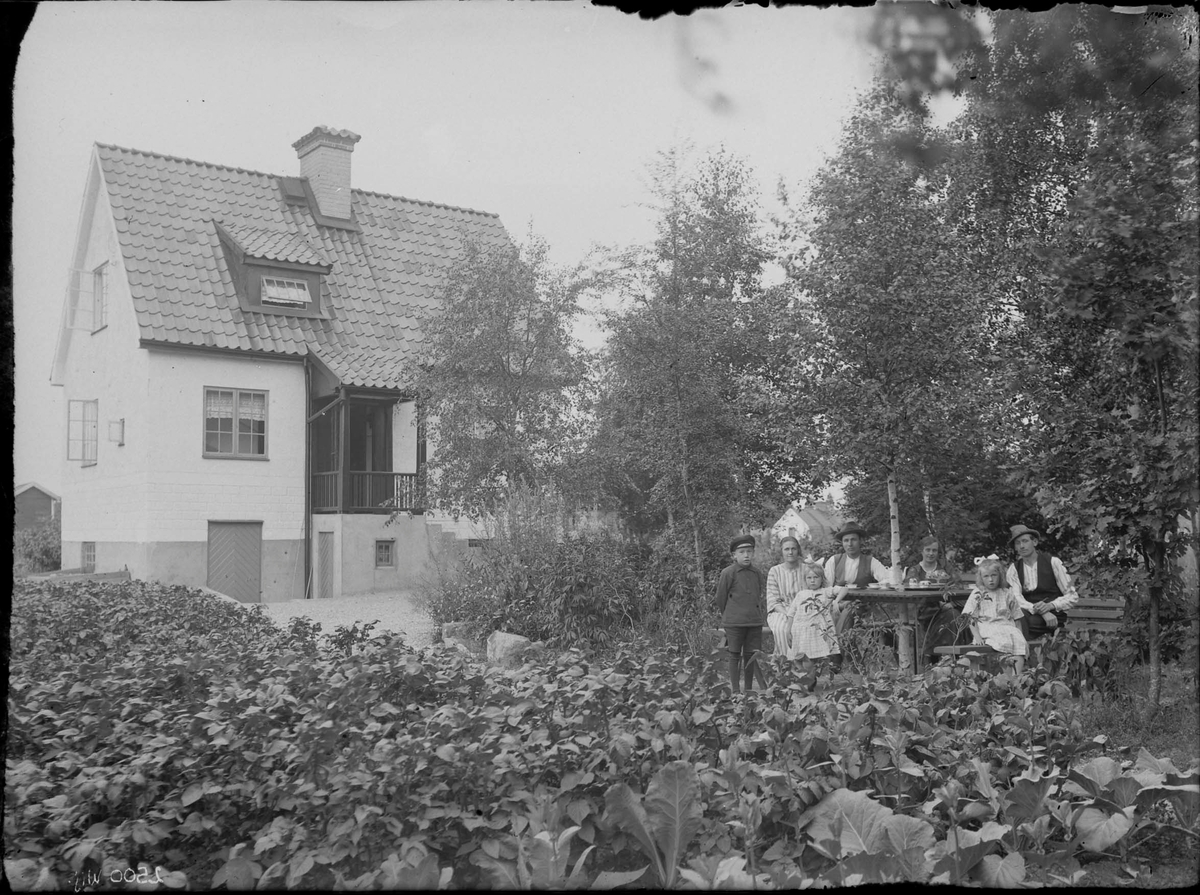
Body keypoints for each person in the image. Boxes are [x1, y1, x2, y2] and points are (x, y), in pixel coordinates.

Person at [1005, 524, 1080, 639]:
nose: (1021, 546)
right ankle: (1022, 652)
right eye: (1017, 543)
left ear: (1034, 542)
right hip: (1028, 613)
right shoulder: (1014, 569)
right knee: (1019, 617)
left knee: (1021, 623)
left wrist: (1050, 606)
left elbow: (1072, 596)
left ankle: (1018, 653)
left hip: (1054, 614)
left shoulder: (1053, 563)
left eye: (1025, 541)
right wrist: (1040, 611)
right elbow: (1016, 599)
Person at [714, 534, 767, 695]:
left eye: (749, 551)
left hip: (754, 622)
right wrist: (730, 616)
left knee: (751, 656)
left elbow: (758, 595)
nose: (746, 555)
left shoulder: (757, 573)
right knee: (734, 654)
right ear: (734, 555)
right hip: (734, 623)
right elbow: (720, 598)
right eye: (742, 552)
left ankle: (749, 689)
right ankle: (736, 691)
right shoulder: (728, 573)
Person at [905, 535, 968, 661]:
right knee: (954, 616)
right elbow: (912, 591)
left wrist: (948, 601)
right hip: (927, 611)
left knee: (958, 616)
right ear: (921, 551)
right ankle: (953, 657)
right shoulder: (915, 570)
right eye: (928, 550)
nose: (931, 553)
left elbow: (958, 584)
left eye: (934, 550)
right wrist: (941, 604)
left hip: (950, 606)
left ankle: (943, 657)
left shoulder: (945, 567)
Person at [962, 557, 1028, 673]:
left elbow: (1017, 618)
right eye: (986, 576)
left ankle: (1016, 677)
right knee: (1003, 637)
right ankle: (1008, 676)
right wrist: (977, 636)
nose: (991, 580)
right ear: (981, 578)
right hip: (987, 626)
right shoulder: (978, 593)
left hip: (1007, 627)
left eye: (994, 575)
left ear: (1000, 575)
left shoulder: (1007, 593)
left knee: (1018, 640)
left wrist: (1020, 635)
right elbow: (970, 618)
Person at [787, 562, 849, 671]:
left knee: (810, 659)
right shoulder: (801, 594)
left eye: (816, 577)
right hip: (799, 631)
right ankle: (806, 678)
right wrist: (788, 630)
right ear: (805, 580)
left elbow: (844, 589)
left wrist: (836, 601)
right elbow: (791, 613)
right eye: (809, 578)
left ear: (822, 579)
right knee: (798, 659)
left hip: (816, 630)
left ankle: (811, 678)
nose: (812, 580)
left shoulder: (825, 591)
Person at [766, 536, 804, 656]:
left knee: (804, 627)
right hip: (781, 611)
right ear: (782, 551)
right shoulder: (775, 571)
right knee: (782, 628)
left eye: (793, 548)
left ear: (798, 550)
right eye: (787, 549)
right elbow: (774, 600)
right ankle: (785, 665)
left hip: (802, 610)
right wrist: (788, 614)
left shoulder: (807, 569)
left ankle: (803, 665)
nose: (790, 552)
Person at [823, 523, 892, 588]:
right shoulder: (834, 561)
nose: (850, 544)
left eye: (853, 540)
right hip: (838, 599)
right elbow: (827, 586)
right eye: (846, 540)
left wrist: (876, 586)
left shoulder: (870, 561)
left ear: (860, 541)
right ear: (842, 543)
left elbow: (887, 578)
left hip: (862, 600)